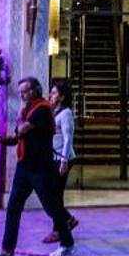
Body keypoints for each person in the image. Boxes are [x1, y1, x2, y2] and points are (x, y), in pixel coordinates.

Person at [0, 77, 75, 256]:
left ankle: (67, 243)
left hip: (39, 167)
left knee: (51, 206)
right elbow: (18, 137)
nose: (21, 94)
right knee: (13, 207)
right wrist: (2, 140)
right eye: (20, 91)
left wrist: (19, 117)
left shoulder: (42, 108)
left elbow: (23, 129)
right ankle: (7, 251)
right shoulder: (29, 109)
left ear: (35, 90)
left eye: (25, 91)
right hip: (24, 166)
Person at [43, 81, 81, 244]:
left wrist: (64, 160)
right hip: (53, 158)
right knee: (52, 195)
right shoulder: (52, 111)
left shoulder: (65, 114)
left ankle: (58, 229)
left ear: (62, 96)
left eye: (54, 93)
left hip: (63, 158)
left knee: (54, 196)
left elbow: (67, 139)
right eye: (50, 92)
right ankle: (68, 220)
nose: (50, 95)